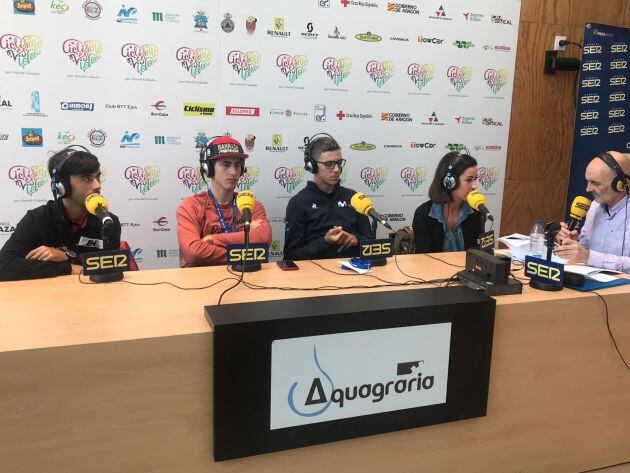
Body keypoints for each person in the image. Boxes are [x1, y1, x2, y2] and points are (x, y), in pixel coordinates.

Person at [0, 145, 121, 281]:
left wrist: (67, 257)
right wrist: (68, 268)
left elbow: (111, 270)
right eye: (87, 179)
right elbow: (4, 266)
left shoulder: (108, 222)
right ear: (62, 186)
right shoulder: (37, 219)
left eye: (97, 177)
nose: (97, 185)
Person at [177, 136, 272, 267]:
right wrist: (246, 250)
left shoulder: (251, 205)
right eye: (226, 165)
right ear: (208, 168)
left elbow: (264, 241)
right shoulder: (191, 207)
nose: (233, 172)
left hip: (245, 279)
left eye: (237, 165)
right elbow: (194, 254)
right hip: (201, 283)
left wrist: (213, 240)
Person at [283, 134, 371, 260]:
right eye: (329, 164)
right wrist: (324, 241)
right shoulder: (298, 203)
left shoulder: (355, 198)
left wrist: (356, 240)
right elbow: (291, 255)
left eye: (339, 163)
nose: (336, 169)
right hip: (314, 276)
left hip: (355, 273)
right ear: (312, 166)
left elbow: (371, 245)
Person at [555, 151, 630, 273]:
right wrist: (574, 244)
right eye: (588, 181)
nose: (587, 189)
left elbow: (590, 257)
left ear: (621, 184)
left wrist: (590, 257)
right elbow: (586, 251)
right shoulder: (594, 206)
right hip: (593, 285)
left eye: (595, 183)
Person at [412, 151, 482, 253]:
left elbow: (477, 252)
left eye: (475, 179)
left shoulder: (476, 211)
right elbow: (423, 258)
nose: (475, 186)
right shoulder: (423, 214)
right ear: (449, 182)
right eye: (468, 180)